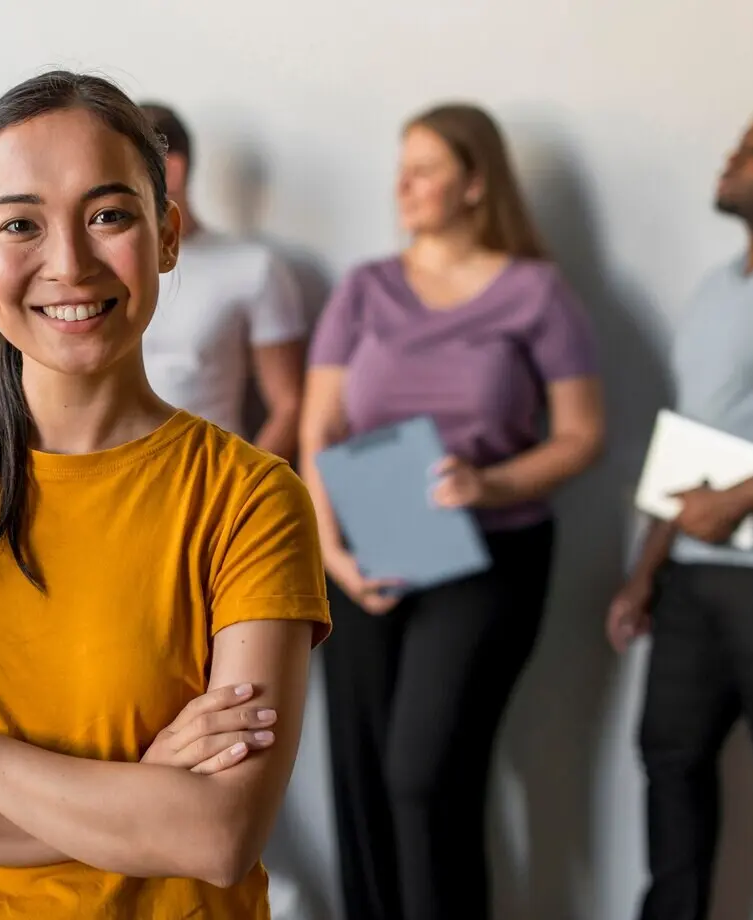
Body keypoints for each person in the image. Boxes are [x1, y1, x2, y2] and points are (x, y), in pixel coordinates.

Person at [0, 70, 331, 919]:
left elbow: (218, 834)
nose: (70, 262)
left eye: (109, 216)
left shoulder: (251, 500)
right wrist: (141, 796)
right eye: (20, 224)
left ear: (167, 235)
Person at [299, 103, 605, 920]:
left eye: (427, 167)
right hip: (363, 549)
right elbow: (318, 427)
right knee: (364, 775)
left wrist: (492, 485)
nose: (404, 183)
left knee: (423, 772)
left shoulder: (536, 293)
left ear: (475, 183)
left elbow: (583, 436)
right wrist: (331, 554)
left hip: (491, 552)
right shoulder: (363, 288)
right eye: (402, 165)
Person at [607, 98, 753, 920]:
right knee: (669, 762)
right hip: (689, 576)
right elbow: (686, 438)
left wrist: (739, 501)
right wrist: (645, 573)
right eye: (737, 140)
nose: (733, 156)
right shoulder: (717, 287)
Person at [135, 103, 306, 460]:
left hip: (211, 481)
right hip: (115, 479)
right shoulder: (99, 270)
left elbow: (290, 405)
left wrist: (245, 492)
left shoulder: (254, 268)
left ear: (172, 171)